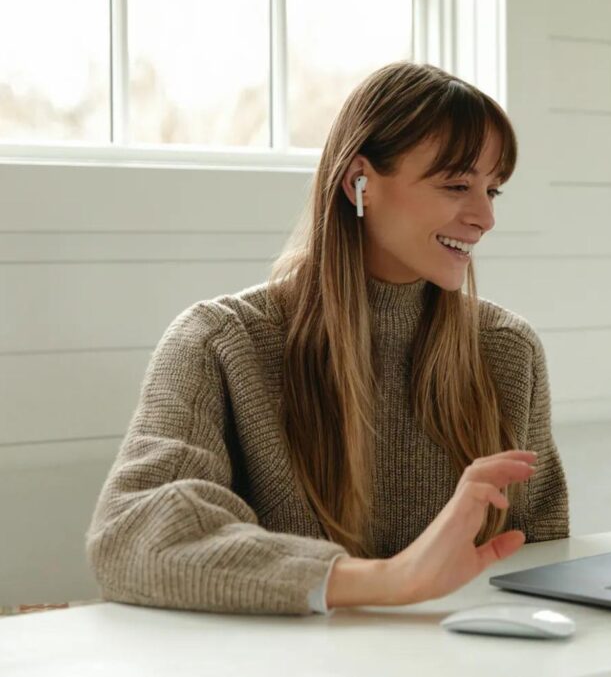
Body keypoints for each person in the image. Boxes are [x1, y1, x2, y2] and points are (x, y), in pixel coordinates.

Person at [85, 62, 569, 615]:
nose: (484, 217)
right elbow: (131, 538)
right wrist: (391, 580)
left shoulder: (508, 351)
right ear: (357, 181)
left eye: (493, 190)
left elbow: (541, 557)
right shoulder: (219, 343)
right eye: (456, 184)